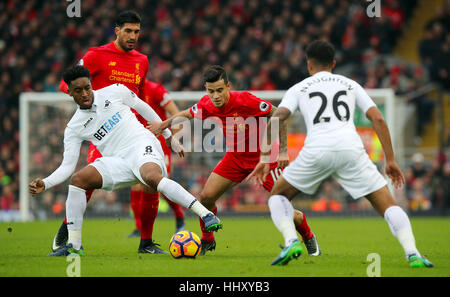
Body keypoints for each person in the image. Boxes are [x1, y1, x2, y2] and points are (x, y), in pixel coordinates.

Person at [248, 40, 433, 267]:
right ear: (333, 63)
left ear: (309, 65)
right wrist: (391, 160)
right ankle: (413, 253)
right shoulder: (350, 84)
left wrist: (265, 158)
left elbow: (277, 118)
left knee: (278, 196)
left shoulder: (299, 88)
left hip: (316, 149)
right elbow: (378, 118)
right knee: (389, 205)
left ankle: (291, 241)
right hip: (351, 150)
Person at [29, 66, 222, 257]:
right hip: (117, 161)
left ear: (91, 84)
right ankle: (74, 244)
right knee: (78, 180)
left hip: (142, 145)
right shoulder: (74, 127)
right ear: (69, 92)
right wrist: (46, 183)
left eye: (87, 87)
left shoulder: (115, 91)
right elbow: (67, 166)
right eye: (78, 90)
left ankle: (205, 214)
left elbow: (144, 108)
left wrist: (168, 135)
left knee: (151, 178)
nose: (85, 93)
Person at [149, 65, 320, 256]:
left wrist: (282, 151)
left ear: (228, 86)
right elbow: (186, 114)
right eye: (211, 91)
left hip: (264, 160)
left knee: (282, 205)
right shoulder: (207, 104)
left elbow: (278, 113)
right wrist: (162, 125)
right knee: (206, 197)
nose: (215, 96)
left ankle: (308, 237)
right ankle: (207, 240)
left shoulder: (245, 100)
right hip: (236, 158)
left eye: (220, 90)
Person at [54, 10, 174, 254]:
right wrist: (87, 106)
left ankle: (147, 243)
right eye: (127, 30)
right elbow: (67, 84)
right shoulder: (95, 55)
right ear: (116, 30)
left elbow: (139, 96)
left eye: (136, 32)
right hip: (103, 132)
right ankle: (66, 235)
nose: (132, 36)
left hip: (131, 130)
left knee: (150, 181)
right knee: (86, 182)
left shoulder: (142, 60)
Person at [126, 79, 186, 238]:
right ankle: (139, 228)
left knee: (159, 182)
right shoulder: (126, 91)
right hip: (137, 142)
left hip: (160, 143)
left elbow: (176, 113)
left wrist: (175, 139)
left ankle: (180, 217)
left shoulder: (156, 89)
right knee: (136, 185)